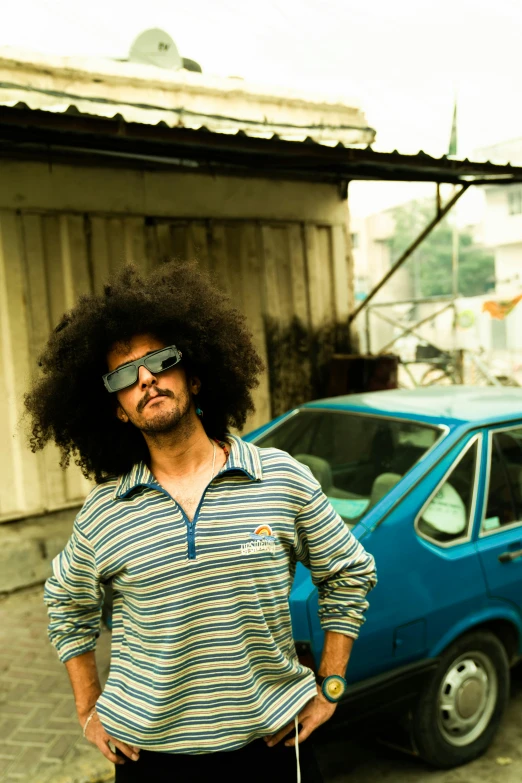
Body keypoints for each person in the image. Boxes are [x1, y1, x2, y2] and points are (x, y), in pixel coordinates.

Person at [25, 261, 377, 782]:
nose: (145, 379)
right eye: (124, 375)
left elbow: (348, 574)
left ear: (192, 374)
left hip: (273, 747)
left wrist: (330, 686)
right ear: (119, 409)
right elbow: (66, 603)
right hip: (152, 760)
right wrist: (88, 708)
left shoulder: (281, 478)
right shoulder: (103, 513)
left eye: (159, 361)